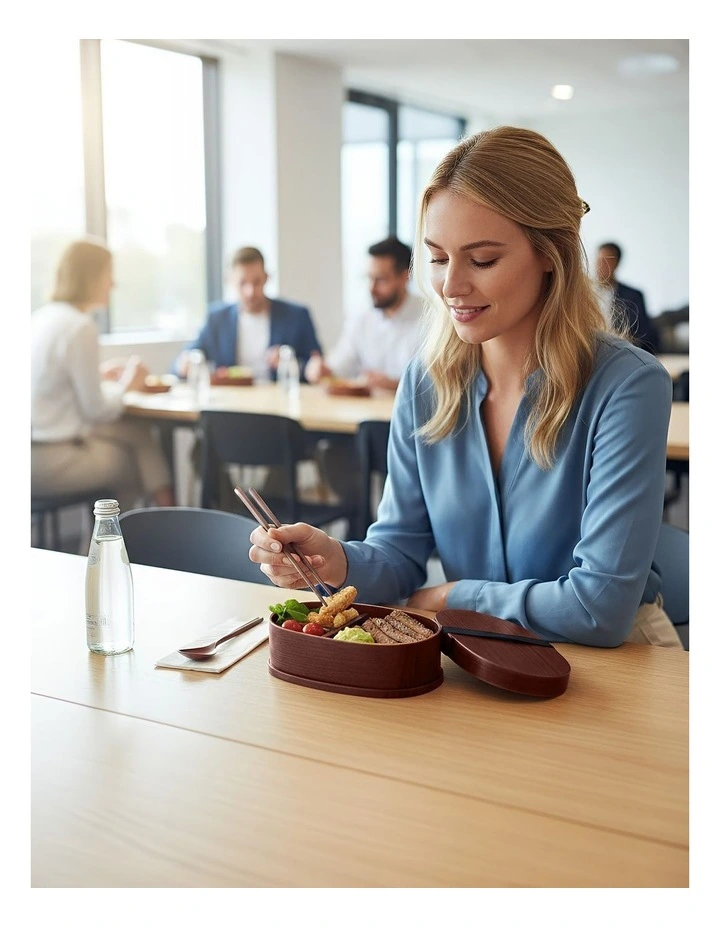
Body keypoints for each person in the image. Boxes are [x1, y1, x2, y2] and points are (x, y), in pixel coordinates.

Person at [248, 126, 681, 649]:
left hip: (618, 663)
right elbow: (401, 553)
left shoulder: (627, 386)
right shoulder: (425, 381)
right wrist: (334, 559)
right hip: (478, 652)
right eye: (436, 258)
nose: (451, 286)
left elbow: (599, 609)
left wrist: (454, 597)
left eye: (482, 260)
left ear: (551, 253)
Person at [31, 238, 175, 513]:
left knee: (138, 431)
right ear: (92, 277)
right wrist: (126, 383)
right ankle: (117, 544)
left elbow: (56, 385)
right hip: (49, 460)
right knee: (128, 463)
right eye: (109, 275)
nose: (113, 284)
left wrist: (101, 377)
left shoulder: (42, 318)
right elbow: (96, 410)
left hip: (31, 450)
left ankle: (166, 520)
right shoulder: (79, 326)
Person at [173, 246, 322, 382]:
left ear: (266, 278)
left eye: (257, 282)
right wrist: (186, 363)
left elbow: (315, 365)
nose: (250, 292)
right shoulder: (217, 318)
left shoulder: (296, 316)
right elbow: (185, 359)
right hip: (231, 403)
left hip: (280, 403)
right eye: (242, 283)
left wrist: (291, 364)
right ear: (229, 281)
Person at [305, 236, 423, 391]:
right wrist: (320, 370)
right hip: (367, 412)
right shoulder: (361, 317)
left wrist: (396, 385)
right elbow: (339, 365)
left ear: (404, 276)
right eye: (369, 278)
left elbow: (438, 381)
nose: (371, 288)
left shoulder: (431, 317)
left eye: (380, 280)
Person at [595, 242, 660, 354]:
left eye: (607, 261)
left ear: (617, 264)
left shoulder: (633, 296)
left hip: (621, 353)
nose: (602, 266)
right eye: (599, 261)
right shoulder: (585, 294)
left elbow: (644, 334)